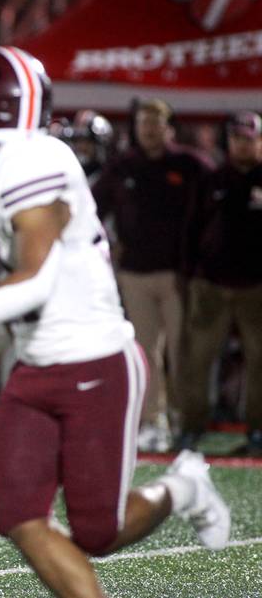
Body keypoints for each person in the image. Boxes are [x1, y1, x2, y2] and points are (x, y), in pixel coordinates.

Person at [0, 46, 230, 598]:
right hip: (34, 367)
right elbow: (32, 288)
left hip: (94, 363)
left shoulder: (29, 160)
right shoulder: (3, 164)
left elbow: (32, 281)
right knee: (18, 514)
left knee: (98, 533)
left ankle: (185, 487)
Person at [92, 99, 212, 453]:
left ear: (168, 128)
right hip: (135, 274)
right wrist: (108, 246)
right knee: (146, 352)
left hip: (178, 274)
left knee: (181, 351)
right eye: (144, 123)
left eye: (156, 123)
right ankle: (153, 421)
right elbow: (91, 207)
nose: (149, 130)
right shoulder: (123, 167)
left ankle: (184, 420)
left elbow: (218, 201)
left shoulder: (189, 165)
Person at [177, 111, 262, 455]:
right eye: (238, 138)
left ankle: (257, 432)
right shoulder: (212, 178)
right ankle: (191, 428)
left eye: (250, 138)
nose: (243, 144)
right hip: (211, 285)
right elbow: (191, 228)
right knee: (196, 360)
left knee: (260, 362)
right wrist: (190, 273)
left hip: (257, 286)